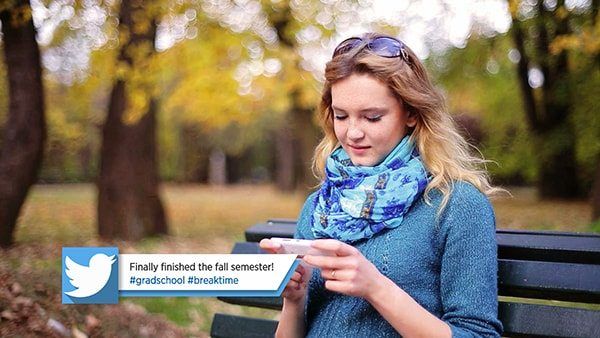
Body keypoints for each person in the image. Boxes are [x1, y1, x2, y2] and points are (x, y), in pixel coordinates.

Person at [260, 32, 504, 338]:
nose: (352, 133)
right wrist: (294, 301)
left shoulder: (456, 206)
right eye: (340, 116)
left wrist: (376, 288)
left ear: (412, 114)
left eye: (372, 117)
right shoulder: (321, 207)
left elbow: (478, 334)